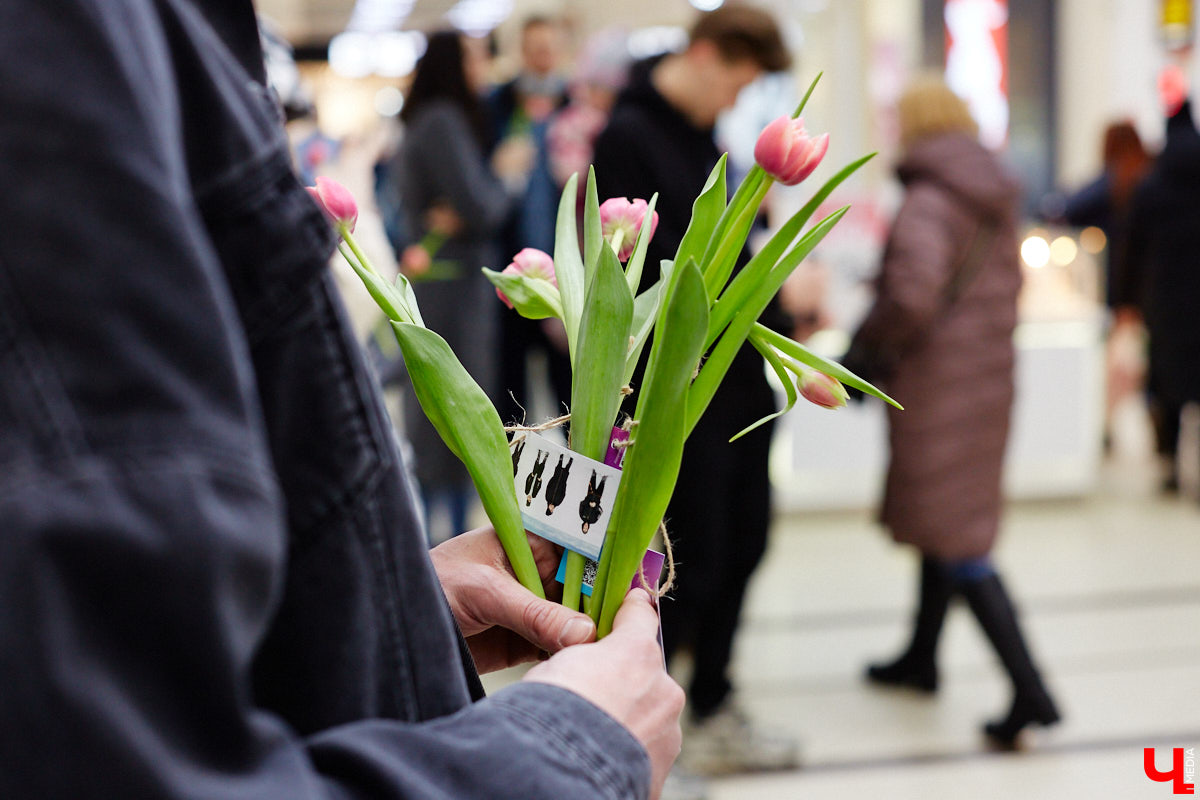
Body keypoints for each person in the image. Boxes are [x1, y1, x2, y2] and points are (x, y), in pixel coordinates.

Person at [0, 3, 684, 799]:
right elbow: (128, 752)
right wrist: (569, 752)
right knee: (447, 447)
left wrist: (401, 604)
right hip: (456, 291)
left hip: (459, 302)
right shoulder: (68, 44)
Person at [592, 5, 800, 777]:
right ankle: (660, 722)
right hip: (677, 391)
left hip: (738, 382)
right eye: (734, 83)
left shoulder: (696, 136)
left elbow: (730, 256)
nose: (734, 101)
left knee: (746, 539)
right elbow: (648, 272)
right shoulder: (629, 137)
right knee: (689, 560)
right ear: (706, 54)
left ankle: (712, 699)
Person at [843, 76, 1061, 748]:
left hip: (936, 386)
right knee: (948, 525)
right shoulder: (991, 194)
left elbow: (911, 296)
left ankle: (1031, 692)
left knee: (961, 543)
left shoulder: (931, 199)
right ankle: (921, 658)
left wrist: (864, 348)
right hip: (983, 381)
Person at [390, 31, 514, 543]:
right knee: (459, 416)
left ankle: (439, 542)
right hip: (455, 291)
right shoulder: (443, 121)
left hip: (442, 284)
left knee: (440, 416)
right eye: (475, 55)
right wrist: (502, 177)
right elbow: (483, 207)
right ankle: (449, 546)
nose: (483, 64)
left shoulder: (423, 120)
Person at [487, 16, 574, 429]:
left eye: (548, 47)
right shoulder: (496, 104)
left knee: (571, 387)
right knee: (510, 389)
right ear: (522, 50)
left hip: (567, 265)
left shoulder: (578, 106)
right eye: (533, 47)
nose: (541, 56)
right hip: (511, 262)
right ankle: (514, 481)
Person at [1119, 68, 1200, 498]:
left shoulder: (1152, 186)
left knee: (1168, 382)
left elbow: (1133, 249)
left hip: (1166, 298)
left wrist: (1126, 300)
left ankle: (1170, 463)